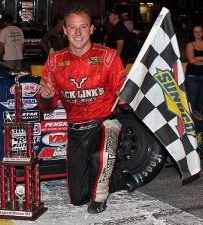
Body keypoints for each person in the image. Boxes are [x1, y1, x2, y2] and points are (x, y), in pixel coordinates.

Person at [36, 5, 134, 214]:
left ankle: (101, 193)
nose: (78, 33)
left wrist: (127, 98)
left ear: (91, 29)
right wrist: (46, 97)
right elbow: (46, 106)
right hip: (76, 131)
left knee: (103, 154)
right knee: (78, 198)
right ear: (64, 30)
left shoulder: (109, 57)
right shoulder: (54, 62)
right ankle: (115, 177)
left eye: (83, 27)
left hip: (104, 124)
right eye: (72, 27)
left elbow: (124, 102)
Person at [185, 25, 203, 119]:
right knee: (192, 100)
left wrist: (200, 58)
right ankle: (191, 121)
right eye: (195, 32)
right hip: (192, 76)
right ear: (193, 33)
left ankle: (201, 121)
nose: (198, 33)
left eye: (200, 31)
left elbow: (195, 60)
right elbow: (191, 61)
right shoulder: (190, 45)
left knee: (201, 100)